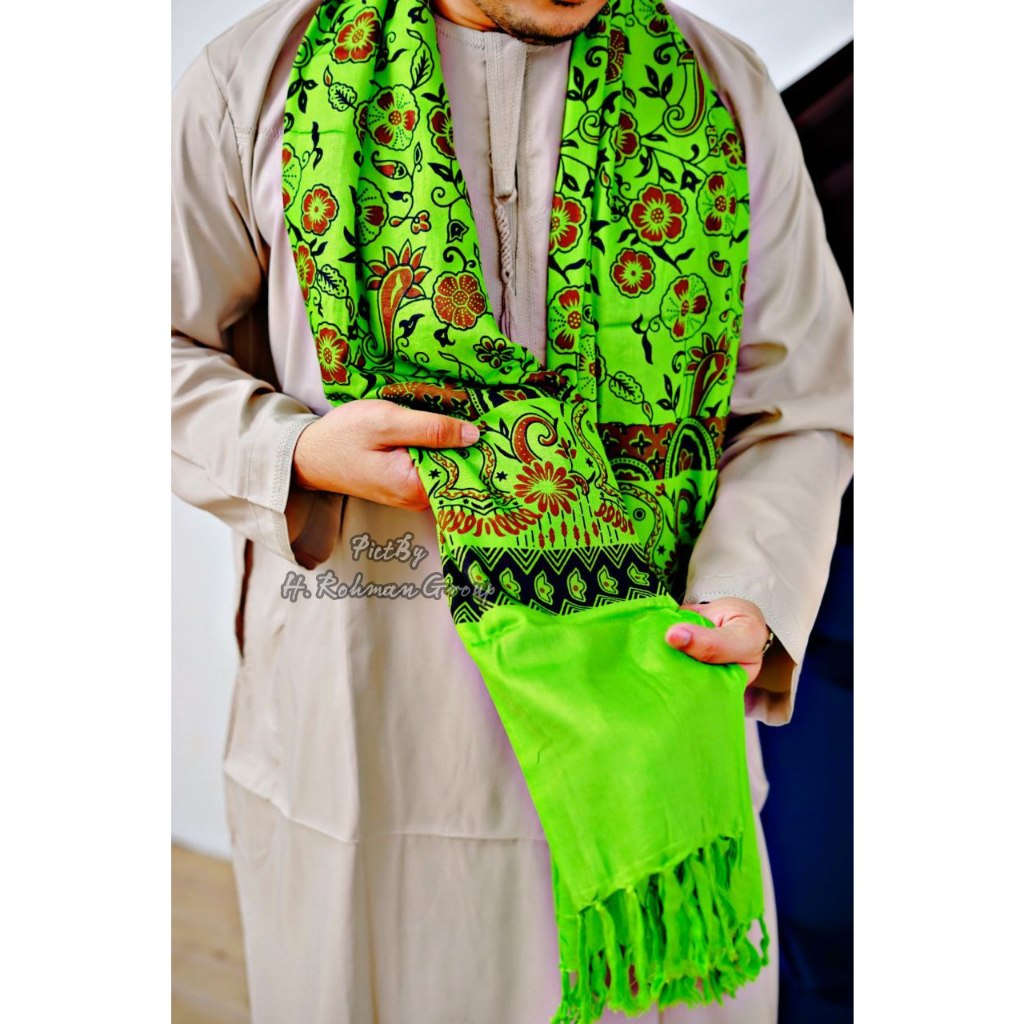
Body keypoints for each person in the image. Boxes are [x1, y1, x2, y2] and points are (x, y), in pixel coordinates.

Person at [171, 0, 852, 1020]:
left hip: (650, 725)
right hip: (365, 723)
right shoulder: (255, 81)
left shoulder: (724, 94)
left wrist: (748, 593)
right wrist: (296, 450)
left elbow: (800, 405)